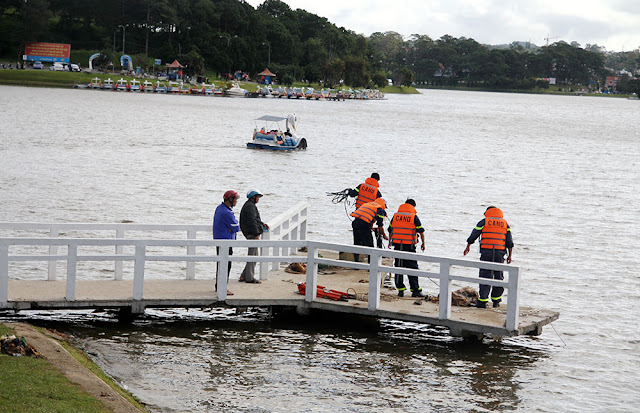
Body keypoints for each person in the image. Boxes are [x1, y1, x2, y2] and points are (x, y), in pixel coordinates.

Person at [463, 206, 514, 308]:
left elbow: (474, 235)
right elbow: (510, 242)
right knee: (498, 276)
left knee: (485, 275)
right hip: (500, 253)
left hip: (487, 252)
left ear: (487, 212)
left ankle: (482, 301)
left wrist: (468, 246)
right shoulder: (505, 223)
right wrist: (510, 256)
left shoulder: (484, 221)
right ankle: (496, 301)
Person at [388, 199, 426, 297]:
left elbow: (390, 230)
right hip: (409, 246)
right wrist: (423, 244)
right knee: (412, 268)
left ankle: (400, 290)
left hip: (397, 246)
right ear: (413, 206)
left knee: (398, 268)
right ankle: (415, 290)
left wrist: (389, 242)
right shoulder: (413, 217)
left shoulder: (396, 216)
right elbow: (421, 231)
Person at [213, 190, 240, 295]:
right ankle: (222, 288)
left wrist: (231, 228)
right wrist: (231, 228)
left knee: (221, 265)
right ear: (230, 199)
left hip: (220, 240)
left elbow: (233, 227)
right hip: (225, 242)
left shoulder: (220, 208)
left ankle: (219, 286)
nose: (236, 202)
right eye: (236, 199)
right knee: (225, 265)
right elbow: (236, 227)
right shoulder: (227, 212)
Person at [239, 189, 269, 283]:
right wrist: (256, 234)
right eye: (258, 197)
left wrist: (262, 224)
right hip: (251, 234)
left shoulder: (249, 206)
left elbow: (255, 220)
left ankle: (244, 276)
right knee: (253, 256)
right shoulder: (250, 207)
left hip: (250, 233)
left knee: (253, 255)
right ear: (253, 197)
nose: (258, 199)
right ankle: (249, 278)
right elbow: (252, 222)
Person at [350, 197, 388, 263]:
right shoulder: (380, 209)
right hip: (364, 225)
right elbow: (380, 226)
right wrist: (384, 235)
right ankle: (371, 264)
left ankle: (356, 263)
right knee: (370, 246)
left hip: (355, 223)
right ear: (384, 204)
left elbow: (364, 217)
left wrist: (370, 228)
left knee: (357, 243)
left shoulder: (368, 204)